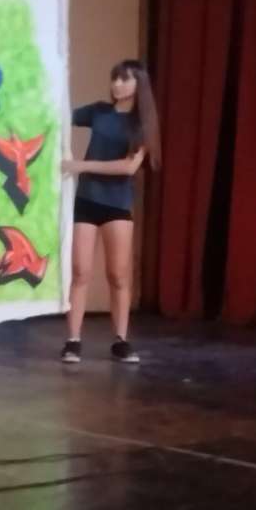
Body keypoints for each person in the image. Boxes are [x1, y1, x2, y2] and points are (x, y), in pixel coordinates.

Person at [60, 59, 161, 364]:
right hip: (86, 200)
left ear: (138, 84)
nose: (117, 84)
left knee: (118, 275)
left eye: (125, 79)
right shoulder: (99, 111)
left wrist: (81, 165)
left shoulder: (142, 123)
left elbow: (129, 167)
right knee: (80, 272)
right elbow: (60, 114)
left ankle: (121, 340)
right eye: (115, 78)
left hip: (117, 204)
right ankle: (73, 340)